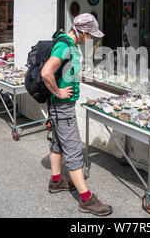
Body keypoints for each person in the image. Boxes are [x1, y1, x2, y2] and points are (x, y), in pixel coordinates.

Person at [41, 13, 113, 216]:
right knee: (73, 149)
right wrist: (58, 92)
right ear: (81, 31)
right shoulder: (64, 46)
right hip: (62, 106)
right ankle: (86, 200)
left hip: (60, 107)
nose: (92, 39)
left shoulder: (69, 45)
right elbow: (46, 72)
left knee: (58, 142)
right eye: (90, 35)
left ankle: (56, 181)